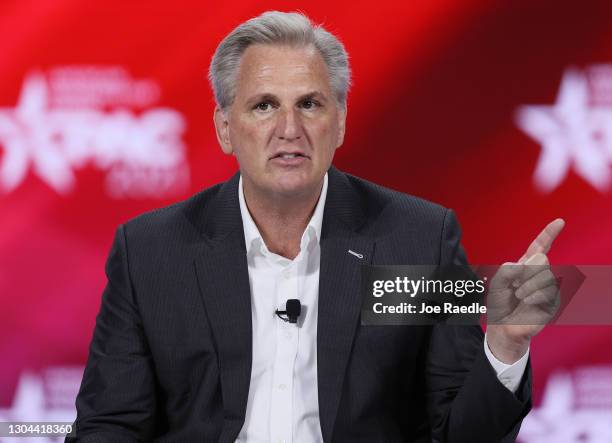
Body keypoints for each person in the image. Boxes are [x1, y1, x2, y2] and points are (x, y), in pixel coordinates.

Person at [68, 11, 564, 443]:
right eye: (264, 105)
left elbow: (460, 433)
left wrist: (504, 345)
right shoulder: (153, 251)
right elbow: (110, 425)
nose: (289, 129)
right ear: (225, 128)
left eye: (309, 103)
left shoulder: (418, 239)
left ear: (341, 121)